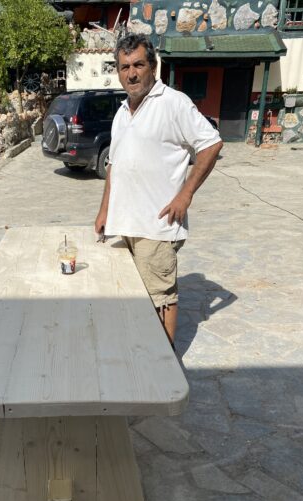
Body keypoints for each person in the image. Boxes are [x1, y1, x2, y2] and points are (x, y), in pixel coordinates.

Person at [95, 33, 222, 347]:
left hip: (156, 227)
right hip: (124, 224)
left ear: (153, 67)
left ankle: (165, 363)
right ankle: (142, 354)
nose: (131, 74)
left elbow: (211, 144)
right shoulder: (122, 112)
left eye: (138, 65)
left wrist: (185, 195)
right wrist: (104, 210)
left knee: (160, 300)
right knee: (132, 296)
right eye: (125, 67)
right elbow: (114, 165)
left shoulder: (173, 103)